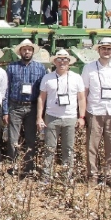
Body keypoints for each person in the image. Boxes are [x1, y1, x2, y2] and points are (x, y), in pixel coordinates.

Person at [36, 49, 86, 184]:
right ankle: (46, 175)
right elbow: (41, 98)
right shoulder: (48, 78)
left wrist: (81, 117)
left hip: (70, 118)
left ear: (69, 62)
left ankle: (66, 176)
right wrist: (39, 117)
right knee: (49, 148)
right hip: (51, 117)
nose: (62, 62)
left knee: (68, 148)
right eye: (59, 59)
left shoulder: (76, 78)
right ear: (54, 62)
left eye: (65, 59)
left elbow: (81, 99)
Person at [81, 37, 111, 187]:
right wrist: (83, 113)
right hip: (95, 110)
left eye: (109, 49)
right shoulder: (89, 68)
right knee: (92, 145)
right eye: (103, 48)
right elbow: (84, 91)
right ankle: (92, 175)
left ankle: (110, 175)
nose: (106, 51)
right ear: (98, 50)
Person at [5, 39, 46, 175]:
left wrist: (42, 113)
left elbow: (43, 91)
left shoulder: (40, 68)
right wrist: (6, 110)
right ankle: (14, 166)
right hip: (15, 106)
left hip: (32, 107)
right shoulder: (12, 67)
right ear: (20, 52)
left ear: (33, 51)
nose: (27, 52)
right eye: (24, 49)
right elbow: (6, 90)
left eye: (29, 49)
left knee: (31, 139)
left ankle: (28, 167)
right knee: (13, 139)